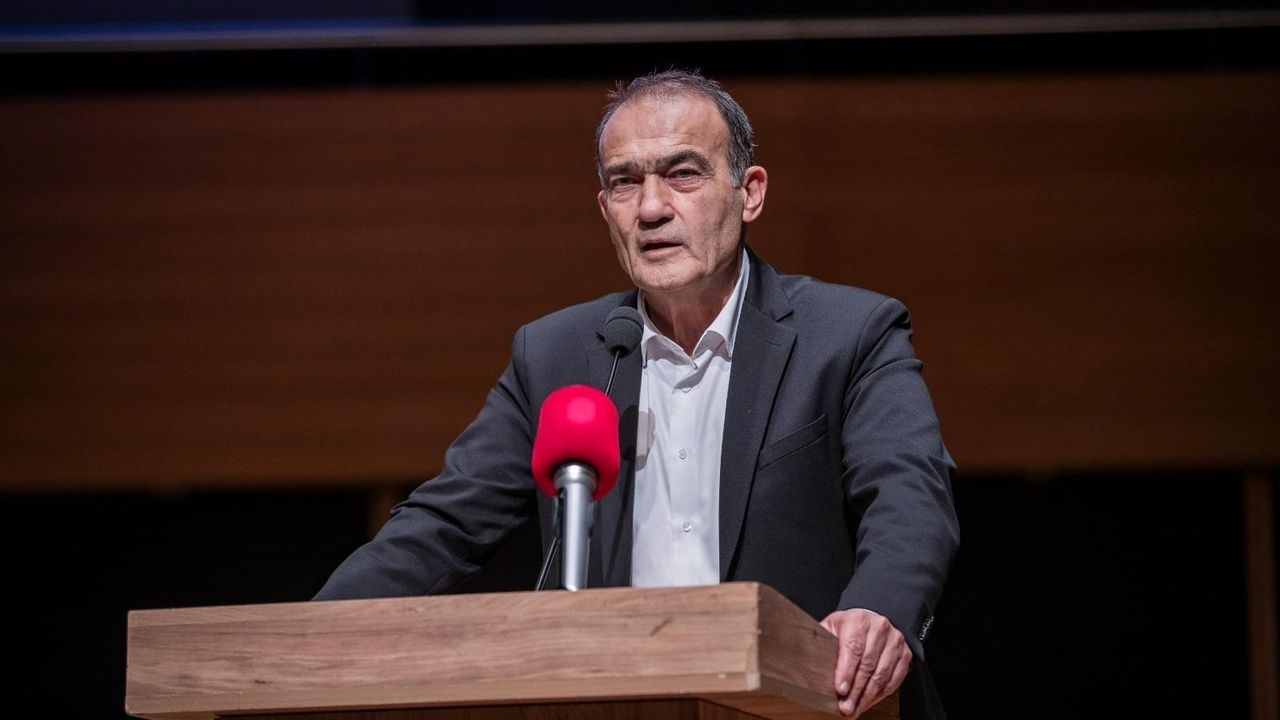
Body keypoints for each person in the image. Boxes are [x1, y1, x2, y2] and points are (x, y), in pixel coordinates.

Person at [315, 70, 959, 720]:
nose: (651, 208)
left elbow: (909, 497)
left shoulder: (848, 335)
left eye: (683, 174)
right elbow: (443, 526)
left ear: (749, 193)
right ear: (606, 209)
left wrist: (881, 609)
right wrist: (310, 634)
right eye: (625, 182)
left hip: (808, 703)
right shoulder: (556, 356)